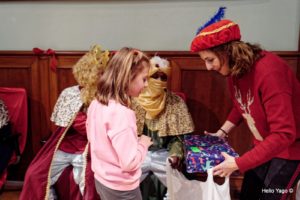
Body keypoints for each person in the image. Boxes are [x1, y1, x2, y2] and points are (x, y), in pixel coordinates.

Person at [190, 7, 300, 200]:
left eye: (210, 59)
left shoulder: (269, 72)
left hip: (290, 150)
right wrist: (222, 132)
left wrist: (238, 163)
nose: (208, 67)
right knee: (248, 194)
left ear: (227, 52)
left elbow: (284, 133)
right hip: (263, 144)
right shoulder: (236, 69)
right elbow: (241, 105)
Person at [20, 45, 109, 200]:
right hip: (64, 147)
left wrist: (81, 120)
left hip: (87, 150)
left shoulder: (105, 97)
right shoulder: (70, 93)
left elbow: (98, 130)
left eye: (103, 74)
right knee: (34, 174)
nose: (101, 77)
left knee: (89, 183)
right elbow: (63, 124)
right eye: (98, 73)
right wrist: (79, 120)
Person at [86, 47, 153, 200]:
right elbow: (129, 163)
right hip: (122, 188)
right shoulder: (123, 114)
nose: (147, 84)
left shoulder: (96, 103)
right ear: (128, 77)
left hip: (102, 179)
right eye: (144, 79)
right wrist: (143, 143)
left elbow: (94, 140)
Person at [131, 56, 194, 199]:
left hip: (163, 155)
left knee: (179, 187)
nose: (159, 82)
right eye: (155, 76)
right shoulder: (132, 100)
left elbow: (178, 138)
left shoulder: (175, 103)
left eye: (163, 78)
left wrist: (175, 154)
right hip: (137, 155)